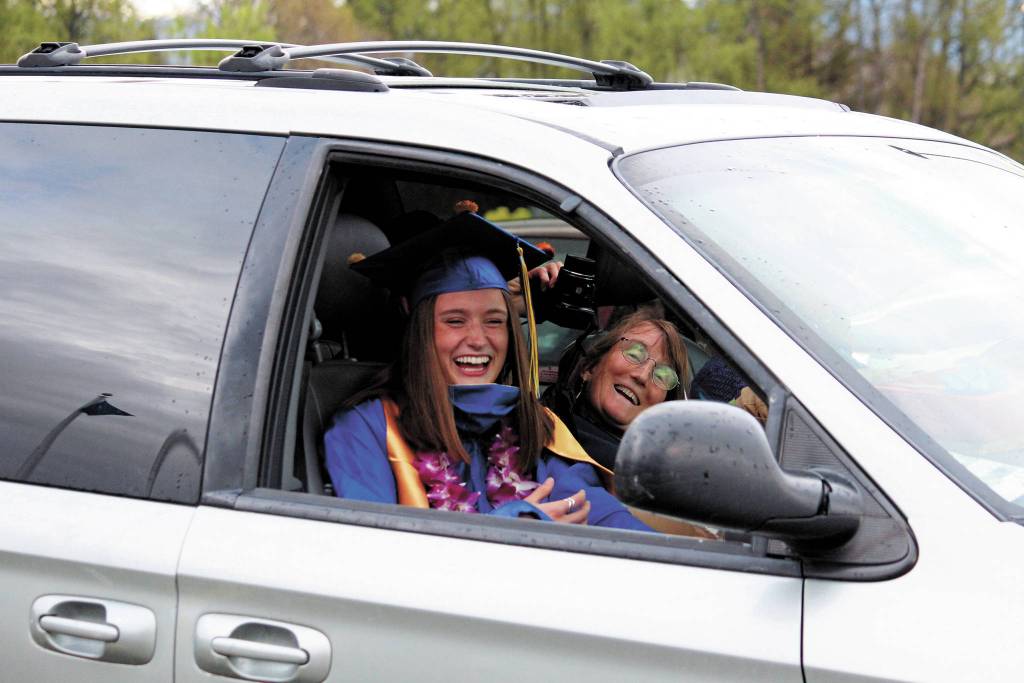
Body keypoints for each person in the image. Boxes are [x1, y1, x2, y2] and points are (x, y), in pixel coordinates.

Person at [323, 211, 651, 531]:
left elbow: (604, 518)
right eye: (454, 321)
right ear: (420, 328)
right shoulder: (367, 429)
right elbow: (371, 558)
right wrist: (512, 524)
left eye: (494, 321)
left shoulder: (532, 425)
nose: (479, 340)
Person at [544, 307, 690, 471]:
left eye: (663, 376)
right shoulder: (531, 425)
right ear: (590, 367)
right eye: (634, 354)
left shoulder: (655, 486)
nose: (642, 376)